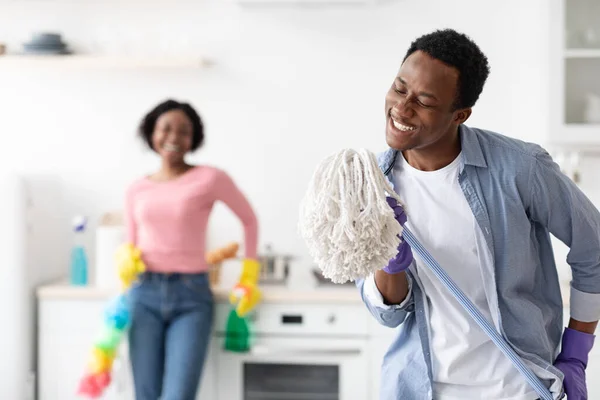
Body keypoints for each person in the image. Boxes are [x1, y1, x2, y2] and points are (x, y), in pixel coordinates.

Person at [357, 29, 600, 400]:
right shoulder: (372, 184)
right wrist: (389, 265)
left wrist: (576, 353)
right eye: (399, 88)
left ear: (460, 115)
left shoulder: (520, 168)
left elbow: (593, 249)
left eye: (424, 100)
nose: (402, 108)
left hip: (517, 388)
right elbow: (388, 314)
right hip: (419, 389)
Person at [124, 99, 259, 400]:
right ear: (151, 132)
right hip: (143, 294)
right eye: (166, 128)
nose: (173, 137)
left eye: (183, 131)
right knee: (145, 395)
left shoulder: (210, 178)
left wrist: (249, 274)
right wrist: (125, 261)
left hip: (192, 296)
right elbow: (131, 243)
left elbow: (249, 220)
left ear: (193, 138)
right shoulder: (136, 188)